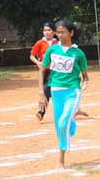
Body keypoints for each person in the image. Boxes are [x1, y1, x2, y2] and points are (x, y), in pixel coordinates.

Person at [38, 19, 89, 168]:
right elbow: (42, 70)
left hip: (73, 91)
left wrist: (85, 82)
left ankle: (61, 158)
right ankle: (72, 121)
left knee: (62, 124)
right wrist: (42, 92)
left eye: (63, 32)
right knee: (59, 126)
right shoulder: (52, 50)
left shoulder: (78, 53)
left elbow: (85, 75)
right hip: (55, 91)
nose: (60, 35)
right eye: (58, 32)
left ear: (71, 33)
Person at [30, 22, 58, 121]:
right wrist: (38, 63)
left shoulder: (57, 43)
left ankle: (41, 112)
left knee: (46, 90)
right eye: (44, 30)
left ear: (54, 32)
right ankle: (42, 112)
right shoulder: (40, 43)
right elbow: (32, 55)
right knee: (48, 91)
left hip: (55, 71)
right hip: (44, 70)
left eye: (49, 30)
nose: (46, 32)